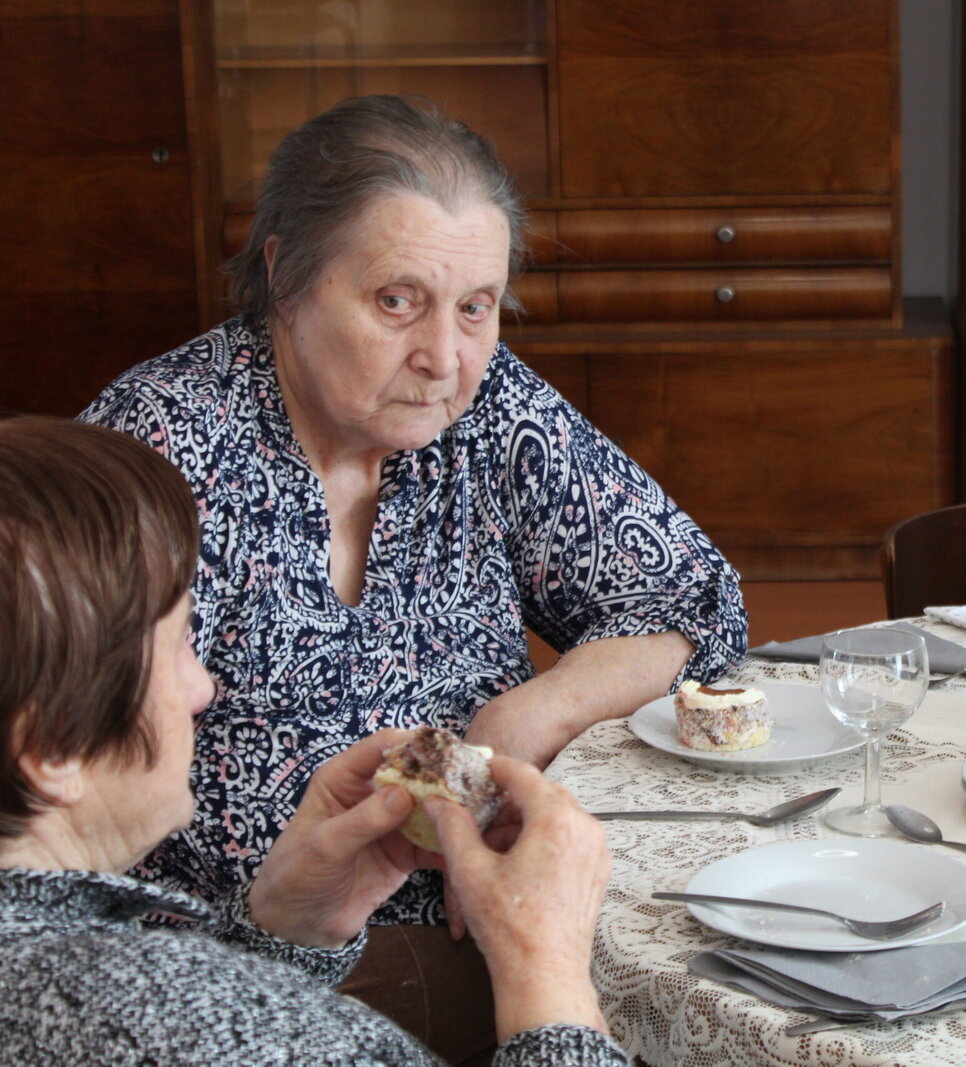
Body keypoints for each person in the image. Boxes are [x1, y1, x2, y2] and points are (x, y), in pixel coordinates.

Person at [79, 95, 745, 1059]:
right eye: (397, 300)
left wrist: (528, 713)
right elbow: (68, 804)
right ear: (284, 278)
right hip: (233, 983)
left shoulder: (484, 405)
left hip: (504, 931)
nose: (444, 357)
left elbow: (692, 603)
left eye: (476, 306)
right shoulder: (164, 449)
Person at [0, 417, 626, 1066]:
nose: (202, 688)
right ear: (52, 747)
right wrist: (547, 977)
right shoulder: (146, 1012)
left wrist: (280, 932)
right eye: (179, 643)